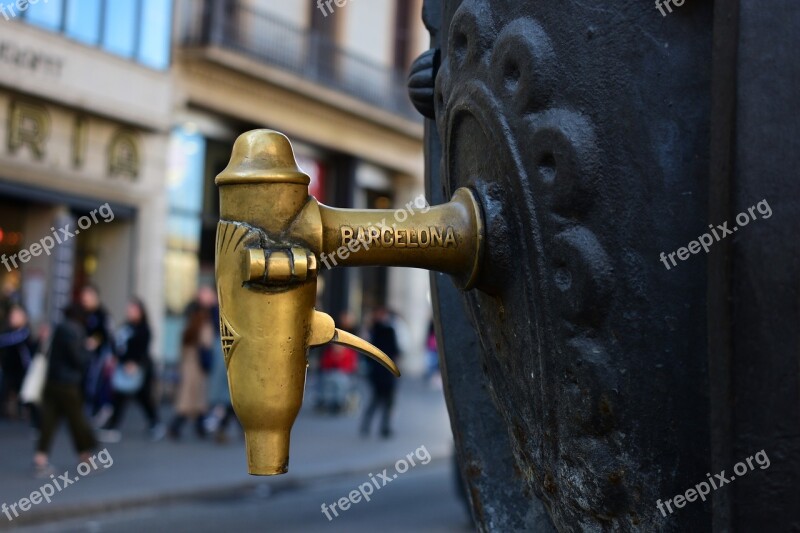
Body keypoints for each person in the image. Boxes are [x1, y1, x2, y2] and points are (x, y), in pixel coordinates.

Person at [34, 304, 96, 477]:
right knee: (77, 421)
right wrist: (88, 349)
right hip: (68, 384)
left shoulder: (58, 328)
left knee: (49, 421)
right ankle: (86, 457)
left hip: (52, 381)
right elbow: (78, 358)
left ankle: (41, 458)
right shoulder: (75, 331)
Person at [97, 298, 164, 443]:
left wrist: (134, 363)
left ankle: (154, 423)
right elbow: (117, 343)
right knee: (125, 397)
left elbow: (142, 348)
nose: (130, 312)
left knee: (141, 397)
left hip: (137, 368)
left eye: (133, 310)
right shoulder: (126, 327)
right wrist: (116, 357)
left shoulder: (143, 329)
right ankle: (114, 426)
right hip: (123, 366)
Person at [168, 303, 213, 440]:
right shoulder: (204, 326)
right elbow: (207, 344)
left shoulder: (188, 327)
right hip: (198, 368)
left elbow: (181, 350)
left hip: (187, 366)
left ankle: (198, 428)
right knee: (196, 399)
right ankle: (177, 427)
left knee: (189, 399)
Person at [360, 307, 401, 438]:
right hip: (386, 371)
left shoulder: (373, 331)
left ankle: (369, 426)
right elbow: (396, 351)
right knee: (384, 401)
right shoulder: (387, 331)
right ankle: (383, 428)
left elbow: (367, 354)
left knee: (377, 400)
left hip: (377, 372)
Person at [79, 285, 114, 423]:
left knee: (94, 381)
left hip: (98, 356)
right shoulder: (82, 314)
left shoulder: (102, 315)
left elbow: (108, 335)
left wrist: (96, 340)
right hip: (82, 355)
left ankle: (94, 408)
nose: (85, 300)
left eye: (88, 296)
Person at [0, 305, 33, 419]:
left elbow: (9, 340)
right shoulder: (7, 331)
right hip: (8, 368)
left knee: (23, 392)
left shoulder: (24, 332)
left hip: (22, 369)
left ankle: (26, 412)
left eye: (16, 315)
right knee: (7, 389)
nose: (13, 318)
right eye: (12, 315)